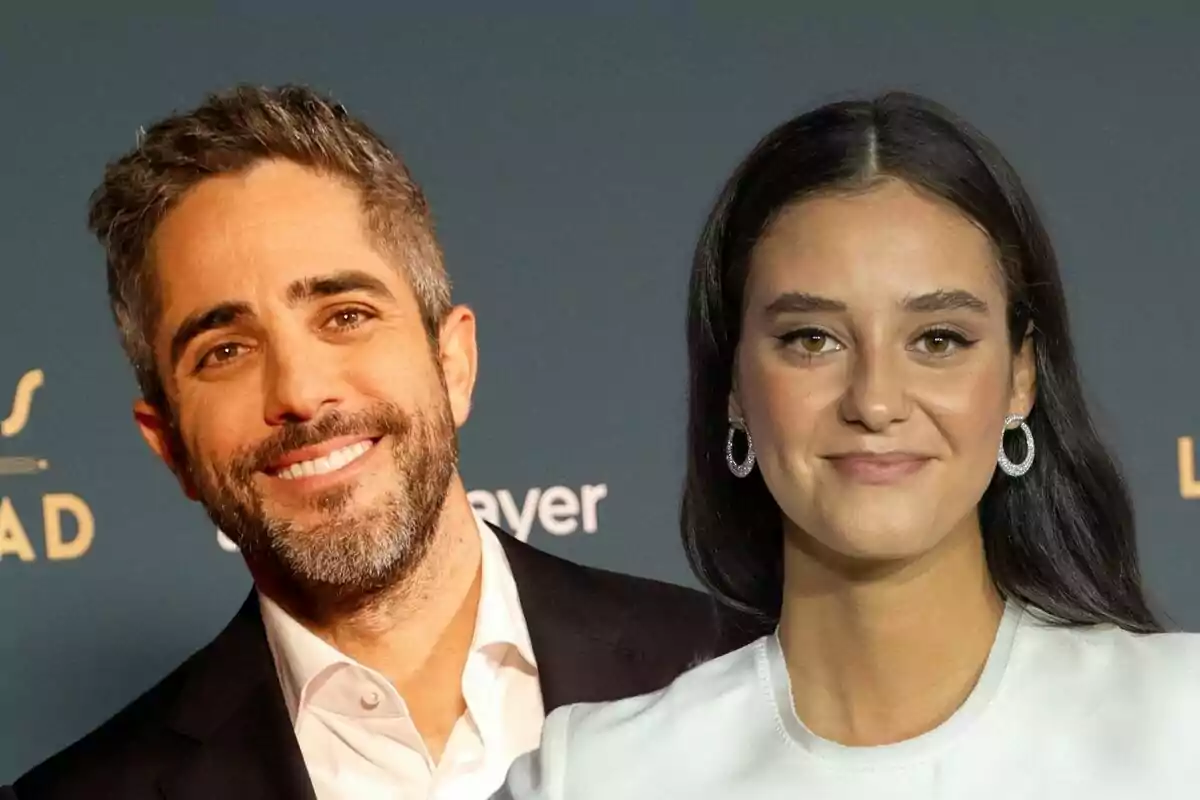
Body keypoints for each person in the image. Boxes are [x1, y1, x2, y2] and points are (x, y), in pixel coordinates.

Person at [9, 84, 763, 800]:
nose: (299, 392)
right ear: (169, 446)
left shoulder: (740, 678)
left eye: (345, 315)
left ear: (453, 361)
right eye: (226, 352)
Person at [497, 91, 1200, 798]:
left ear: (1021, 378)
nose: (875, 401)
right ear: (734, 386)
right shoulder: (596, 776)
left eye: (938, 340)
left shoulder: (1180, 721)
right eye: (812, 339)